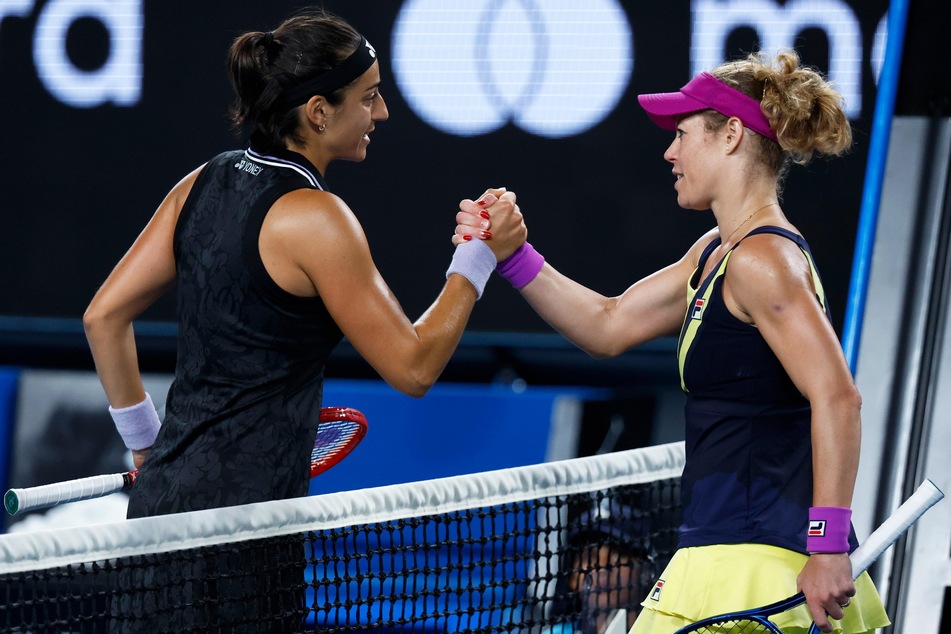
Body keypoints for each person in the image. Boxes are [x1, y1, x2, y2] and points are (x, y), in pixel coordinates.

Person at [82, 7, 523, 630]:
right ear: (319, 111)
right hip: (244, 539)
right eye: (368, 98)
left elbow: (103, 316)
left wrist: (146, 446)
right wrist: (479, 258)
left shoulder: (199, 184)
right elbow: (415, 366)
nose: (382, 113)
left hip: (157, 520)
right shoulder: (319, 219)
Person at [455, 51, 889, 634]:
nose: (670, 151)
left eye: (682, 134)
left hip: (759, 567)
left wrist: (829, 544)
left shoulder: (762, 260)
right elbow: (608, 325)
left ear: (731, 134)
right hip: (721, 553)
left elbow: (838, 397)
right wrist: (514, 255)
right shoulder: (717, 252)